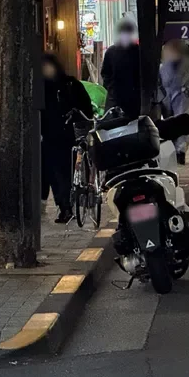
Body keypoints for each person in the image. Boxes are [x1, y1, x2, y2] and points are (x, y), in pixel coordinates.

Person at [41, 54, 92, 224]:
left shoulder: (60, 86)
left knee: (59, 174)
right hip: (62, 136)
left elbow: (86, 110)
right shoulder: (68, 84)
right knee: (61, 173)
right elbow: (87, 110)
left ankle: (66, 207)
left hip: (57, 137)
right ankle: (67, 205)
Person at [159, 39, 189, 165]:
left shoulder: (187, 66)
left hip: (182, 98)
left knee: (181, 126)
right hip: (167, 101)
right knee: (170, 125)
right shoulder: (162, 68)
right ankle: (174, 151)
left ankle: (180, 152)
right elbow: (159, 84)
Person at [101, 18, 142, 120]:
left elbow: (105, 74)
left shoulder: (111, 52)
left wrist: (111, 87)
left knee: (112, 128)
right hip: (127, 99)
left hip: (120, 98)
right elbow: (105, 74)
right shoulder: (138, 51)